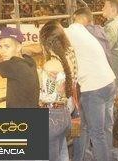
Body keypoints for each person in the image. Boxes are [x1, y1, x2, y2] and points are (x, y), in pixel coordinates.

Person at [66, 7, 117, 161]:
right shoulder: (98, 32)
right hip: (108, 82)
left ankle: (85, 157)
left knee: (93, 131)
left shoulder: (75, 30)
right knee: (101, 127)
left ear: (79, 18)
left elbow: (55, 37)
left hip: (92, 88)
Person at [38, 21, 78, 161]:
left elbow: (47, 95)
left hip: (51, 116)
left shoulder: (51, 65)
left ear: (45, 43)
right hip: (64, 113)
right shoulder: (68, 57)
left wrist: (39, 75)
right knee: (62, 153)